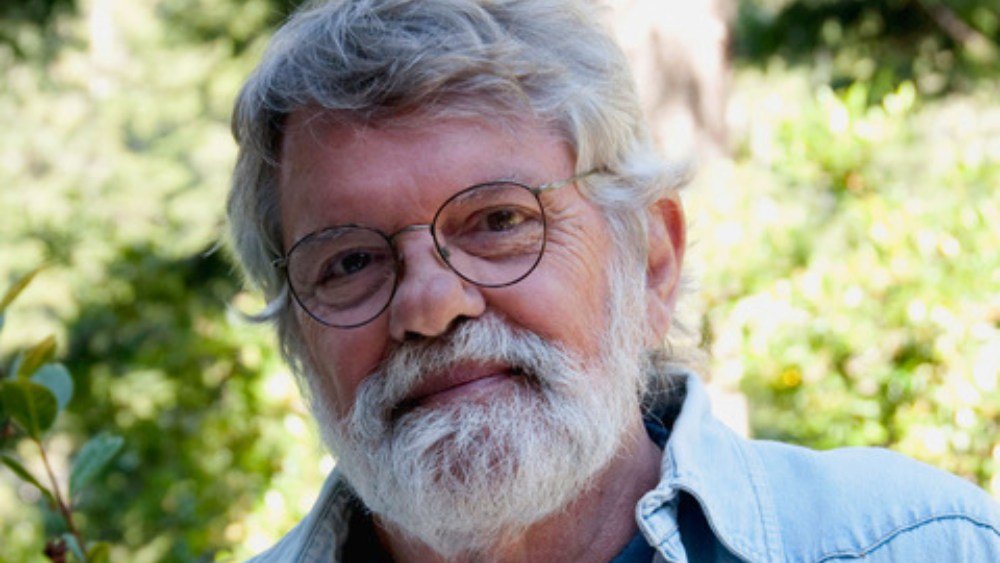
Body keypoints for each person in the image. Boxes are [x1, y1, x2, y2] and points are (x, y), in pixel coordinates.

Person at [226, 0, 1000, 560]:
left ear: (653, 261)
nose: (429, 304)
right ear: (298, 338)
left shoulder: (923, 544)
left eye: (498, 220)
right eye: (349, 262)